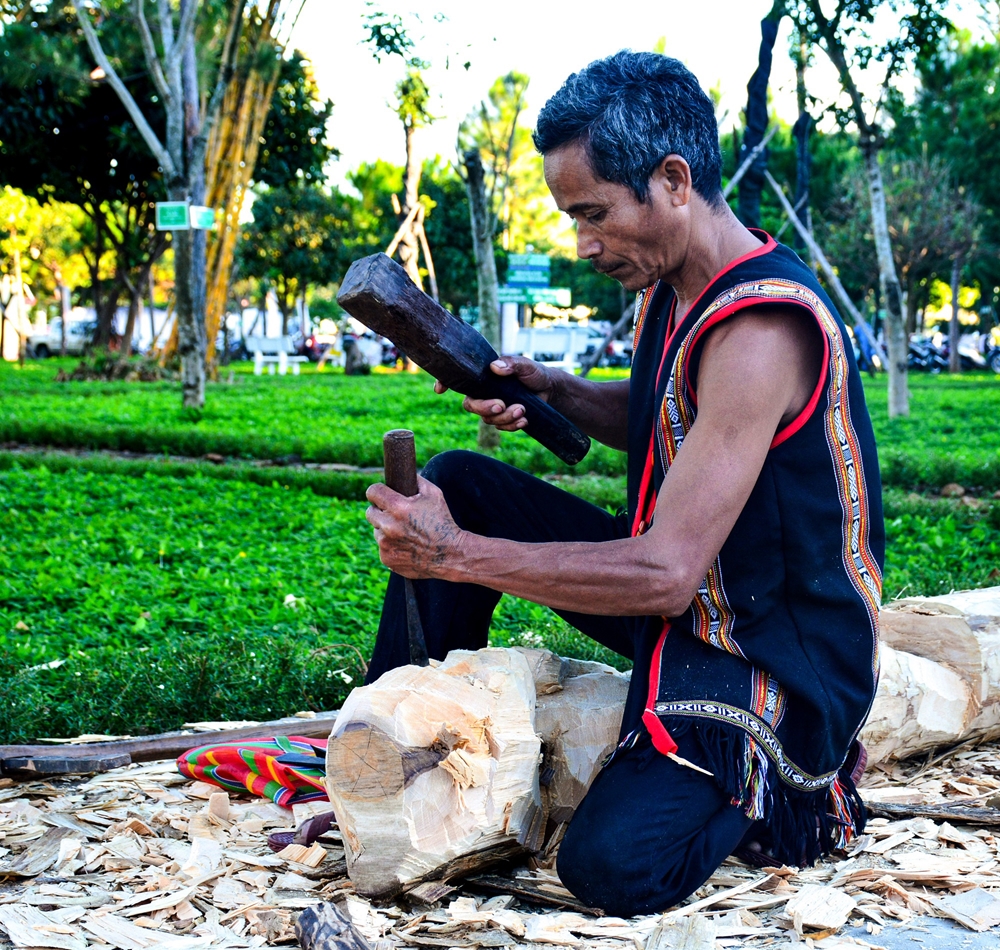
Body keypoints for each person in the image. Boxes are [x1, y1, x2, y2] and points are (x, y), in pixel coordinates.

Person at [363, 51, 884, 917]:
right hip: (694, 600)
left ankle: (786, 793)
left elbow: (663, 572)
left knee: (613, 865)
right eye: (575, 218)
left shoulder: (761, 331)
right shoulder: (676, 284)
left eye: (595, 214)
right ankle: (377, 754)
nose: (584, 244)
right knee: (459, 480)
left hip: (768, 649)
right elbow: (667, 414)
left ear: (673, 180)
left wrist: (454, 555)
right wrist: (556, 392)